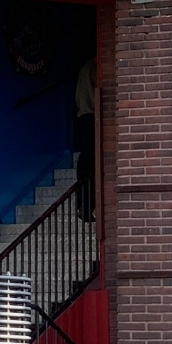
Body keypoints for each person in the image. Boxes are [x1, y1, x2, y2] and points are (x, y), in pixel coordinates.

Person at [74, 57, 96, 223]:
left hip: (84, 115)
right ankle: (87, 206)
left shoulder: (84, 69)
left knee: (86, 161)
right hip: (93, 116)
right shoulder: (95, 66)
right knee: (91, 162)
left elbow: (77, 97)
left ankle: (84, 206)